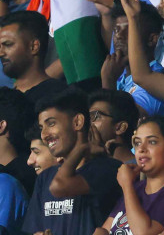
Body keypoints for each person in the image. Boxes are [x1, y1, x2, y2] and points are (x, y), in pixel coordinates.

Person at [25, 92, 120, 235]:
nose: (44, 135)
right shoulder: (44, 178)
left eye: (51, 124)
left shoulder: (107, 168)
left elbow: (59, 186)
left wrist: (82, 147)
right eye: (41, 128)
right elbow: (35, 230)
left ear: (77, 122)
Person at [96, 117, 164, 235]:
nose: (141, 149)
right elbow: (104, 230)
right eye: (138, 143)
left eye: (152, 142)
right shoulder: (137, 189)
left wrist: (127, 185)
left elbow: (143, 232)